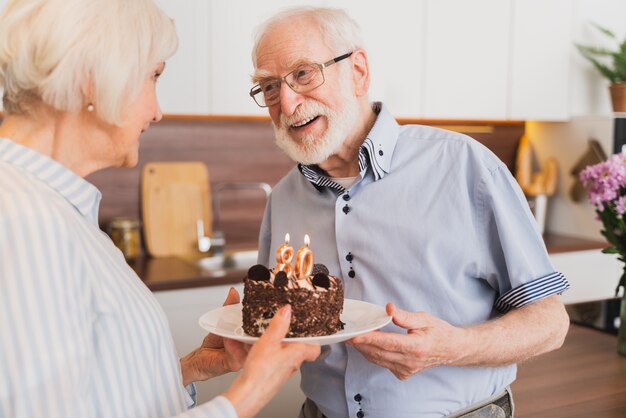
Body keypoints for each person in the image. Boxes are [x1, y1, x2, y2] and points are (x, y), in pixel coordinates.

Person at [0, 1, 320, 417]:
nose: (157, 110)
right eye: (153, 76)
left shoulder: (52, 207)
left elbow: (89, 393)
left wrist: (188, 370)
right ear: (93, 80)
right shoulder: (22, 221)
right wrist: (247, 395)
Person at [249, 6, 571, 418]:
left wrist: (454, 348)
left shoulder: (465, 167)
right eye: (270, 87)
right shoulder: (283, 199)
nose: (288, 101)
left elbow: (550, 322)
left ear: (358, 71)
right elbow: (280, 321)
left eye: (304, 74)